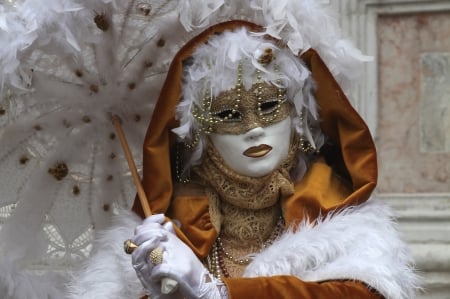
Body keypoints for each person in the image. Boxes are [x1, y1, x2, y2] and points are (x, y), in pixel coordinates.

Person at [67, 14, 419, 299]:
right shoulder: (158, 240)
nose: (253, 128)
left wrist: (217, 292)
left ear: (297, 117)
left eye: (268, 107)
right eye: (228, 114)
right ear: (199, 135)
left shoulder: (344, 223)